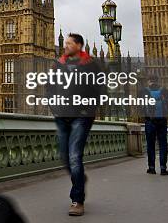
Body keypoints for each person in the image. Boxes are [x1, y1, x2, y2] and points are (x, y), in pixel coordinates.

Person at [46, 33, 104, 217]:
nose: (65, 46)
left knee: (74, 156)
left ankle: (77, 199)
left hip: (82, 116)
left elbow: (101, 88)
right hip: (62, 115)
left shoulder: (92, 64)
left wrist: (88, 109)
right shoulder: (58, 64)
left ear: (79, 45)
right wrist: (54, 107)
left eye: (69, 43)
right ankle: (78, 178)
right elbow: (49, 86)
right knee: (65, 156)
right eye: (65, 43)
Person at [140, 74, 168, 175]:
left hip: (150, 121)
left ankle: (151, 167)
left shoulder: (144, 91)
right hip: (162, 120)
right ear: (157, 81)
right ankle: (163, 168)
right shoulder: (164, 90)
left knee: (150, 145)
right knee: (163, 144)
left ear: (149, 81)